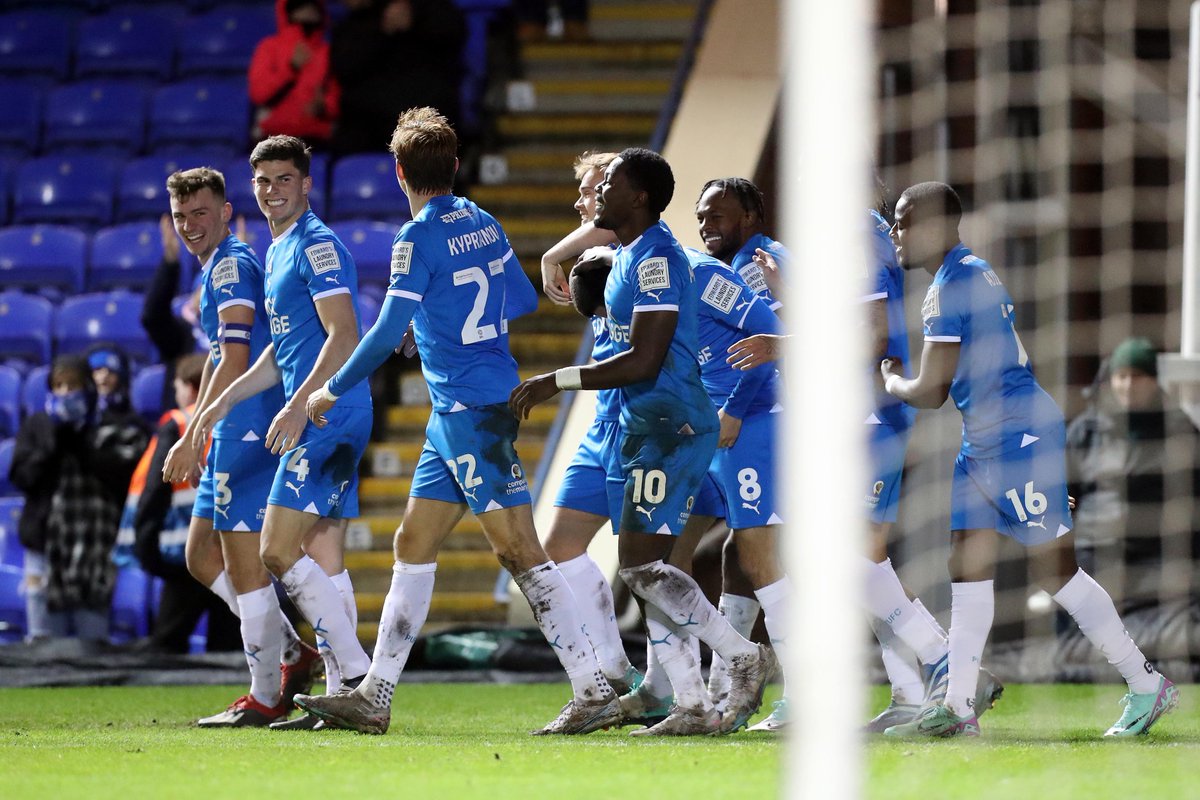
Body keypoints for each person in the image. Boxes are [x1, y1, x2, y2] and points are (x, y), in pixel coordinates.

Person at [294, 107, 618, 737]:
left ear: (398, 172)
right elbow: (521, 299)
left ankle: (593, 687)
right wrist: (437, 323)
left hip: (472, 410)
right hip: (462, 408)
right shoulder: (481, 219)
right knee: (412, 543)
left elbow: (387, 328)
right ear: (454, 165)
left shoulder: (414, 239)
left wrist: (333, 386)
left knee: (518, 549)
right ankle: (375, 695)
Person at [880, 181, 1178, 738]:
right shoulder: (968, 270)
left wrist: (891, 379)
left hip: (1018, 438)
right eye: (894, 222)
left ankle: (1145, 683)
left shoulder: (952, 285)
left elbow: (931, 390)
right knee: (965, 564)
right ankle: (960, 703)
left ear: (940, 226)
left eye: (906, 221)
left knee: (1054, 569)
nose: (897, 232)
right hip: (984, 440)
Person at [511, 148, 776, 735]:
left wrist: (557, 379)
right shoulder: (627, 256)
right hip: (639, 425)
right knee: (645, 567)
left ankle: (738, 656)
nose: (597, 192)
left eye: (608, 183)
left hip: (671, 425)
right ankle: (685, 699)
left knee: (647, 565)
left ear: (638, 198)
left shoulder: (659, 260)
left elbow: (647, 358)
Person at [190, 139, 376, 728]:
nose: (272, 190)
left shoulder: (317, 245)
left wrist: (299, 404)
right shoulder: (278, 249)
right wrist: (221, 402)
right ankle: (346, 688)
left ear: (307, 184)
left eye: (284, 179)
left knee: (273, 549)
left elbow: (343, 333)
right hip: (319, 408)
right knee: (321, 555)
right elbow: (281, 350)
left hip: (329, 411)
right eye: (264, 181)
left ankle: (356, 675)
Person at [158, 166, 322, 729]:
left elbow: (235, 355)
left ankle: (266, 691)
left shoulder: (229, 264)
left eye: (201, 213)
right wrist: (197, 426)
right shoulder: (223, 265)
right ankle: (294, 654)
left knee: (244, 565)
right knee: (200, 555)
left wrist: (196, 428)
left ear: (226, 212)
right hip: (234, 421)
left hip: (249, 422)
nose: (190, 225)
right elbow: (216, 355)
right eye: (181, 216)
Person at [537, 151, 641, 698]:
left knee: (648, 568)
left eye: (589, 191)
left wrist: (553, 253)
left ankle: (705, 677)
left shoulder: (645, 254)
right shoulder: (602, 257)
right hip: (603, 427)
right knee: (560, 546)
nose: (581, 203)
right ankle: (616, 668)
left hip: (642, 427)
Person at [1063, 337, 1200, 678]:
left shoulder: (1181, 432)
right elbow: (1065, 493)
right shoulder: (1086, 432)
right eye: (1120, 376)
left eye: (1137, 376)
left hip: (1159, 564)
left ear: (1154, 381)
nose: (1127, 385)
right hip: (1097, 559)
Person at [10, 353, 148, 641]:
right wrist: (56, 438)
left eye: (72, 386)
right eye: (58, 386)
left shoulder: (113, 423)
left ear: (87, 388)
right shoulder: (38, 424)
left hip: (95, 544)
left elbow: (121, 476)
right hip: (44, 542)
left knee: (92, 641)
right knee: (43, 641)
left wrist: (83, 434)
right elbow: (23, 478)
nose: (64, 393)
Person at [113, 353, 240, 653]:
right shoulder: (238, 417)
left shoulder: (179, 423)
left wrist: (146, 547)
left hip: (186, 554)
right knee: (230, 648)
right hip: (234, 550)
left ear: (191, 386)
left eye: (178, 385)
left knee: (167, 644)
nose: (176, 392)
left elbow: (156, 489)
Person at [329, 0, 467, 155]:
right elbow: (344, 67)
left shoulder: (433, 11)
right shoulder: (353, 24)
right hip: (367, 127)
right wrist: (382, 29)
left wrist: (415, 15)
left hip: (422, 120)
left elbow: (453, 32)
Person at [248, 0, 340, 145]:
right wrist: (291, 68)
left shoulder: (329, 51)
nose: (307, 14)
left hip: (317, 136)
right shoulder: (269, 47)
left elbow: (337, 95)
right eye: (301, 8)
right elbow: (259, 93)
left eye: (311, 8)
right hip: (274, 136)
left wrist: (323, 106)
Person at [695, 177, 789, 311]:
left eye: (716, 217)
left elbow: (778, 327)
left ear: (748, 218)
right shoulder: (768, 246)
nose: (705, 226)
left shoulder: (749, 261)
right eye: (701, 219)